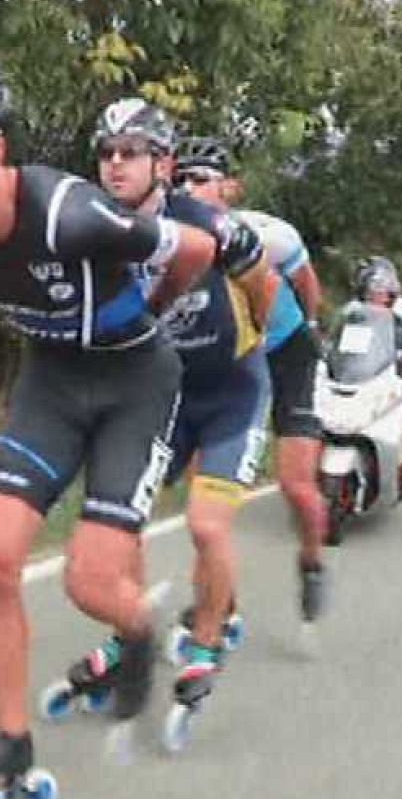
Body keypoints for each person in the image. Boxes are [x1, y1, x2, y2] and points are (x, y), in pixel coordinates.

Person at [0, 54, 226, 799]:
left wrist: (154, 315)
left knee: (90, 580)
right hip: (54, 381)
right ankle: (9, 748)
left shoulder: (71, 214)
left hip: (136, 381)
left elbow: (196, 249)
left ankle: (138, 627)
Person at [85, 99, 278, 717]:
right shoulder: (93, 231)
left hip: (231, 392)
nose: (115, 165)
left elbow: (264, 282)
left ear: (162, 164)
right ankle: (130, 635)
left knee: (206, 523)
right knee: (119, 526)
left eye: (131, 153)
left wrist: (251, 340)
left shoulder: (210, 224)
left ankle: (207, 641)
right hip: (162, 396)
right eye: (106, 154)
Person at [175, 136, 329, 623]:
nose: (187, 188)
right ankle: (217, 602)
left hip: (288, 353)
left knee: (296, 485)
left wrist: (304, 328)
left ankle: (311, 560)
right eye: (180, 179)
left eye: (200, 180)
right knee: (206, 491)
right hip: (236, 365)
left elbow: (307, 285)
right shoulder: (169, 237)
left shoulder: (270, 234)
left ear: (231, 188)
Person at [354, 257, 402, 464]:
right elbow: (340, 338)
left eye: (381, 287)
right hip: (360, 369)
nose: (376, 292)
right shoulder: (353, 310)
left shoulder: (400, 311)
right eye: (371, 286)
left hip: (393, 368)